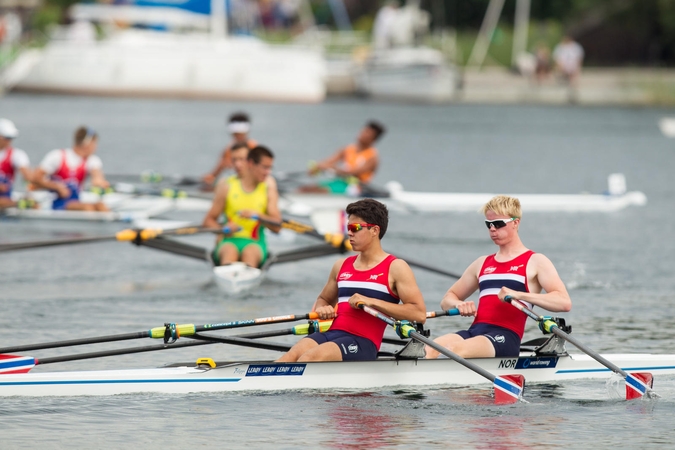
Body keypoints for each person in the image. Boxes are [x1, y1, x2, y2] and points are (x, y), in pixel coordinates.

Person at [277, 198, 427, 362]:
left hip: (363, 342)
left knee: (311, 357)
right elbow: (324, 299)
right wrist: (323, 309)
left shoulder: (396, 267)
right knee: (290, 356)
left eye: (355, 228)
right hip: (332, 333)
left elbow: (418, 314)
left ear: (374, 230)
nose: (349, 233)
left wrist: (372, 302)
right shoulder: (341, 265)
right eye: (348, 227)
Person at [426, 195, 572, 359]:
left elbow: (564, 302)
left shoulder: (535, 261)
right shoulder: (482, 263)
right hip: (474, 332)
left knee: (454, 351)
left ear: (516, 222)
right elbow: (447, 299)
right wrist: (458, 304)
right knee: (427, 350)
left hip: (505, 337)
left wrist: (519, 295)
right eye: (488, 224)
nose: (493, 229)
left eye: (499, 224)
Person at [203, 145, 281, 268]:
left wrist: (257, 216)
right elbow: (208, 221)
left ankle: (245, 273)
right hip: (228, 242)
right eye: (234, 160)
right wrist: (223, 229)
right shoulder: (226, 185)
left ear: (250, 162)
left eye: (241, 159)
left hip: (255, 243)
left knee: (249, 253)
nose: (237, 165)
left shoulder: (268, 185)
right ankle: (229, 276)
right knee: (229, 251)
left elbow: (277, 227)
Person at [32, 126, 110, 212]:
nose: (96, 147)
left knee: (101, 206)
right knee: (87, 208)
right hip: (56, 202)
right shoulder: (57, 156)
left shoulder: (92, 160)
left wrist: (99, 182)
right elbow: (35, 178)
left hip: (76, 201)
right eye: (94, 144)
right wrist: (57, 187)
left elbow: (97, 176)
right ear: (87, 143)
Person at [303, 121, 385, 195]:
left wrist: (332, 168)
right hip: (341, 182)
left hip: (357, 187)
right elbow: (329, 161)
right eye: (363, 131)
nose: (363, 134)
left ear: (373, 139)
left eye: (367, 133)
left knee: (317, 191)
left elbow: (353, 173)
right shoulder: (347, 149)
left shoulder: (373, 157)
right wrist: (316, 167)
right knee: (304, 189)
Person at [202, 112, 257, 188]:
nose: (238, 137)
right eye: (236, 134)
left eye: (240, 134)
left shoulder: (254, 148)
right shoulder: (228, 150)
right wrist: (206, 179)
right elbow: (214, 174)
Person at [0, 118, 34, 209]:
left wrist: (29, 191)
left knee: (33, 203)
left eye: (12, 138)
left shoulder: (17, 155)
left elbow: (27, 176)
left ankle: (19, 203)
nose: (10, 141)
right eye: (7, 138)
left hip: (5, 198)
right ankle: (18, 203)